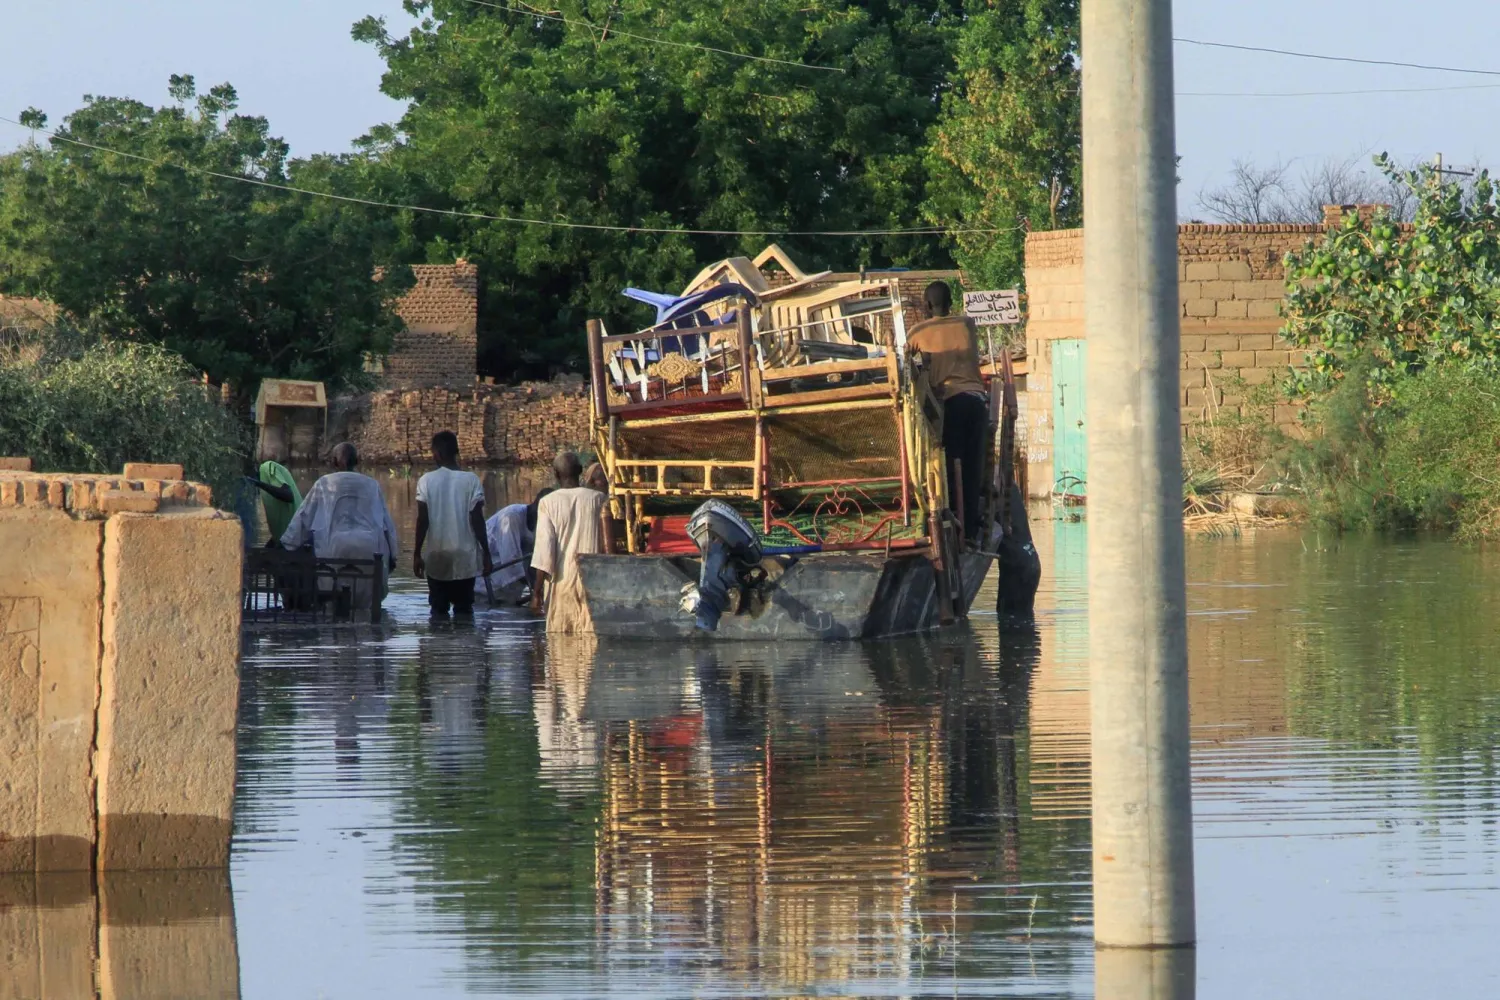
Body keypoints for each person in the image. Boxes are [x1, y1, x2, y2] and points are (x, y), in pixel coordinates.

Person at [907, 280, 989, 541]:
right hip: (977, 400)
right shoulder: (967, 324)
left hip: (951, 403)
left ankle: (956, 525)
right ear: (951, 302)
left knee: (951, 465)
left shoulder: (916, 333)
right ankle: (972, 530)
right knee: (973, 465)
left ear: (927, 304)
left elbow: (913, 371)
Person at [280, 442, 399, 607]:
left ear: (334, 462)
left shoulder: (324, 483)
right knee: (366, 606)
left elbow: (303, 518)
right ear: (356, 461)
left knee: (332, 604)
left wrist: (288, 544)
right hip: (370, 549)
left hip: (333, 549)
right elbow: (386, 524)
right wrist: (393, 555)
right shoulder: (372, 485)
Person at [414, 431, 493, 617]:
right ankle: (463, 646)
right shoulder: (471, 480)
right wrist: (486, 553)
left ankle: (441, 646)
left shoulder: (426, 481)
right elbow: (477, 520)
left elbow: (422, 520)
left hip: (437, 556)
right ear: (456, 452)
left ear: (437, 454)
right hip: (465, 557)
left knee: (438, 612)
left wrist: (417, 553)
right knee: (464, 611)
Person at [531, 451, 607, 634]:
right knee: (590, 640)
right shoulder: (598, 499)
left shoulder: (548, 503)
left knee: (560, 649)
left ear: (556, 474)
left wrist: (536, 592)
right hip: (593, 585)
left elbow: (544, 551)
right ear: (580, 471)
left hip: (561, 585)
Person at [474, 487, 555, 605]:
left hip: (507, 587)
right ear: (536, 504)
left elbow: (536, 560)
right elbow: (511, 560)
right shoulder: (511, 517)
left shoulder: (541, 525)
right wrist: (536, 590)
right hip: (485, 582)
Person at [244, 441, 302, 546]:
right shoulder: (266, 474)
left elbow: (288, 495)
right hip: (288, 536)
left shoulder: (267, 466)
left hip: (293, 537)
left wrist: (258, 484)